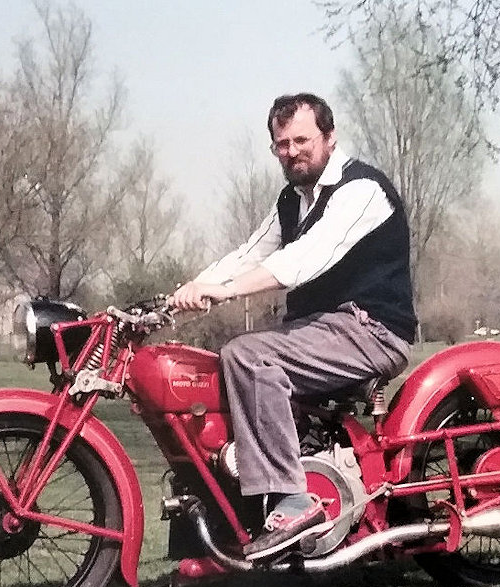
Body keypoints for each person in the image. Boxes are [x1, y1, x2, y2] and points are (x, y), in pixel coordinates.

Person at [171, 93, 416, 561]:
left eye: (301, 139)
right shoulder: (293, 200)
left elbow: (302, 262)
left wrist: (227, 291)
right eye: (281, 144)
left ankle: (293, 501)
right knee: (220, 362)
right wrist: (190, 288)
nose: (291, 151)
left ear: (330, 136)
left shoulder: (360, 190)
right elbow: (251, 253)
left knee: (249, 354)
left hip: (371, 329)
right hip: (323, 328)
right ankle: (231, 516)